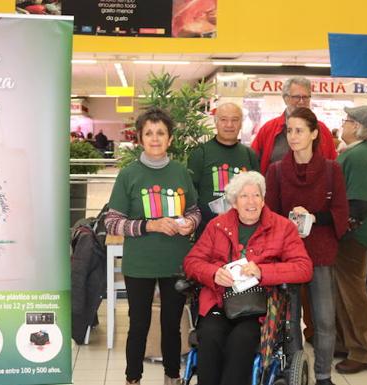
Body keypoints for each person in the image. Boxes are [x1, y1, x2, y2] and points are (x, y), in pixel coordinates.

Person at [183, 171, 313, 385]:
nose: (251, 201)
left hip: (259, 307)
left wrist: (263, 272)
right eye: (244, 196)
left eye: (256, 195)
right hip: (219, 301)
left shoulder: (282, 228)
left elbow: (303, 268)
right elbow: (192, 262)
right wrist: (214, 274)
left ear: (263, 200)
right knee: (210, 336)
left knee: (241, 341)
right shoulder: (217, 226)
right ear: (234, 202)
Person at [105, 108, 201, 385]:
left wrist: (190, 224)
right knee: (138, 326)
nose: (155, 138)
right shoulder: (129, 174)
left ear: (170, 139)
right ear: (140, 138)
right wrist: (151, 225)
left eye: (160, 133)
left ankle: (173, 376)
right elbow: (112, 223)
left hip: (175, 263)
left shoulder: (180, 173)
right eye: (149, 133)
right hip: (140, 265)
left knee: (172, 326)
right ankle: (132, 378)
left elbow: (194, 210)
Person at [265, 107, 349, 385]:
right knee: (290, 321)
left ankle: (323, 375)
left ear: (315, 133)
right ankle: (294, 372)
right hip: (287, 256)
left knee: (325, 319)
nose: (293, 136)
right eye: (289, 130)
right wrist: (288, 222)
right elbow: (269, 214)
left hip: (321, 252)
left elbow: (340, 211)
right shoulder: (276, 171)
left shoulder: (331, 170)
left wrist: (314, 218)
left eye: (299, 130)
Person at [334, 105, 367, 374]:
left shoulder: (360, 157)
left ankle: (363, 352)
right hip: (353, 234)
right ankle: (346, 342)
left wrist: (340, 232)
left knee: (353, 294)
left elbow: (358, 205)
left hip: (352, 236)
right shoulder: (361, 152)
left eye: (346, 121)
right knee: (344, 292)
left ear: (357, 127)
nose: (342, 125)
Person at [188, 102, 260, 235]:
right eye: (224, 120)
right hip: (208, 233)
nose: (229, 125)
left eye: (235, 120)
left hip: (242, 234)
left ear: (241, 123)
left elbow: (258, 195)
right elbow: (191, 198)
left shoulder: (250, 155)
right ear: (215, 122)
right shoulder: (200, 154)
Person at [251, 76, 337, 175]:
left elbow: (333, 165)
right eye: (296, 97)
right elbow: (253, 163)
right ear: (285, 99)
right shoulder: (268, 129)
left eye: (305, 97)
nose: (301, 101)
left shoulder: (322, 130)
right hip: (276, 189)